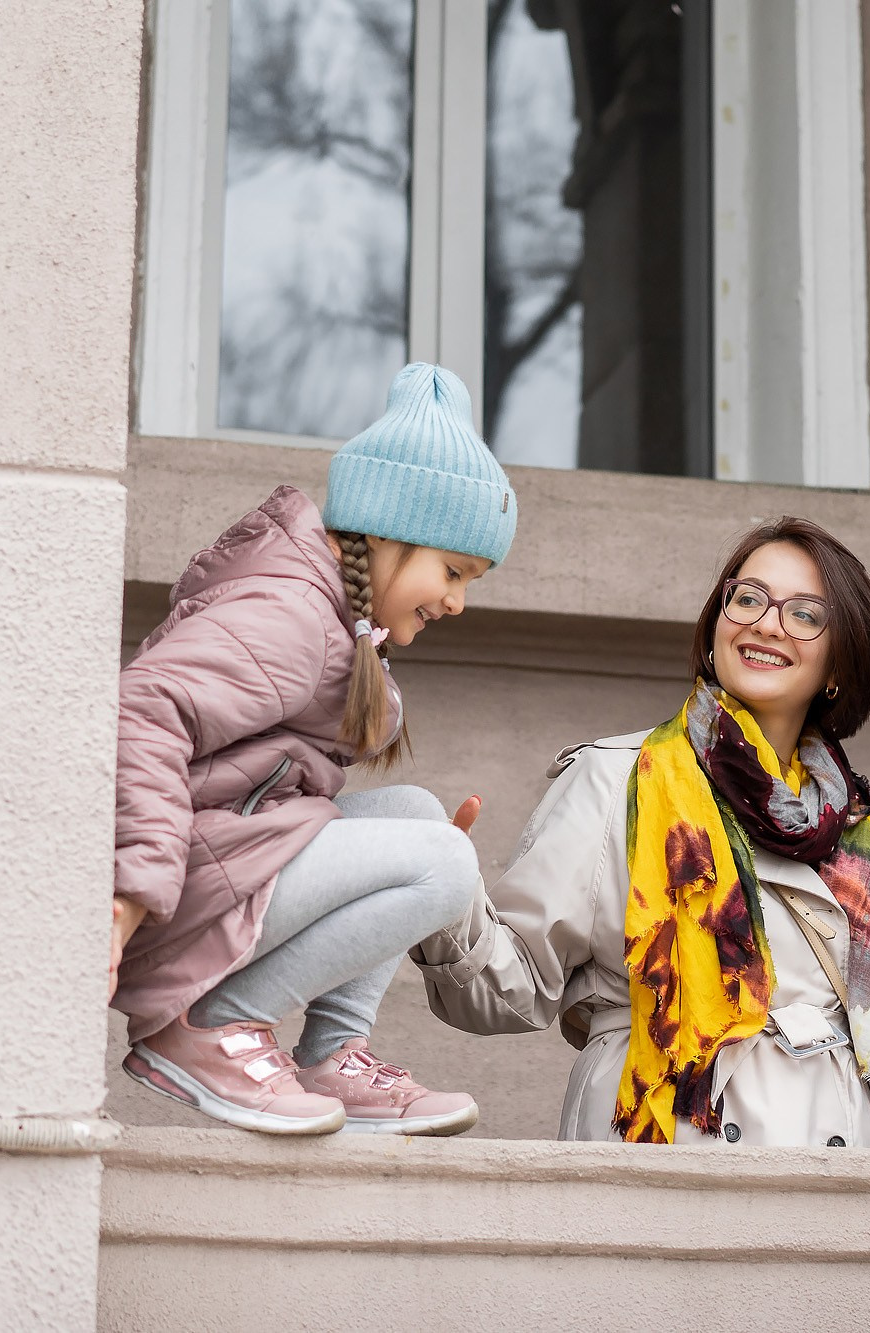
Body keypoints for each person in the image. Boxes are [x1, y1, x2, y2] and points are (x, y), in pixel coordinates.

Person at [410, 518, 870, 1147]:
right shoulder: (616, 780)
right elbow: (509, 990)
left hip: (838, 1178)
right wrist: (447, 894)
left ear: (837, 667)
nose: (766, 624)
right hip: (668, 1154)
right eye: (747, 598)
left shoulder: (862, 832)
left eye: (804, 614)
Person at [111, 362, 508, 1136]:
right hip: (171, 894)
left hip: (220, 867)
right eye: (453, 571)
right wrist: (128, 895)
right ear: (390, 530)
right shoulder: (291, 616)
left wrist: (398, 866)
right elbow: (145, 709)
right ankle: (213, 1023)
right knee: (441, 859)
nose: (458, 601)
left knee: (416, 816)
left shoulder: (326, 618)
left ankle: (330, 1053)